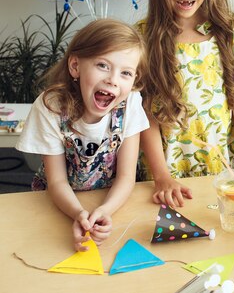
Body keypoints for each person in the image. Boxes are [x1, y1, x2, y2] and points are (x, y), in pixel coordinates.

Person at [139, 0, 234, 207]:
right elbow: (144, 115)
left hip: (223, 169)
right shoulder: (144, 37)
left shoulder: (230, 30)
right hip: (168, 173)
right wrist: (162, 176)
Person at [16, 19, 149, 252]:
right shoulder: (50, 108)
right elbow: (57, 181)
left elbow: (127, 177)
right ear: (75, 66)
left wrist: (105, 211)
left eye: (126, 73)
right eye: (103, 65)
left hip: (112, 198)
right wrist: (78, 214)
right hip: (61, 201)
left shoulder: (130, 105)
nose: (113, 79)